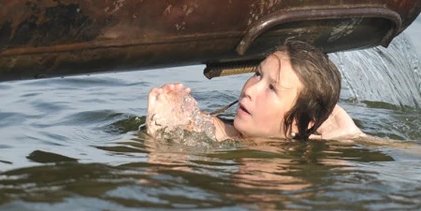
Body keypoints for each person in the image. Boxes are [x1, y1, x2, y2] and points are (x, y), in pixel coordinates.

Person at [145, 40, 375, 142]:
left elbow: (410, 153)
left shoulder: (314, 149)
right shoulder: (219, 132)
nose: (251, 90)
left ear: (296, 123)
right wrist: (163, 120)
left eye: (272, 88)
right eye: (257, 74)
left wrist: (352, 136)